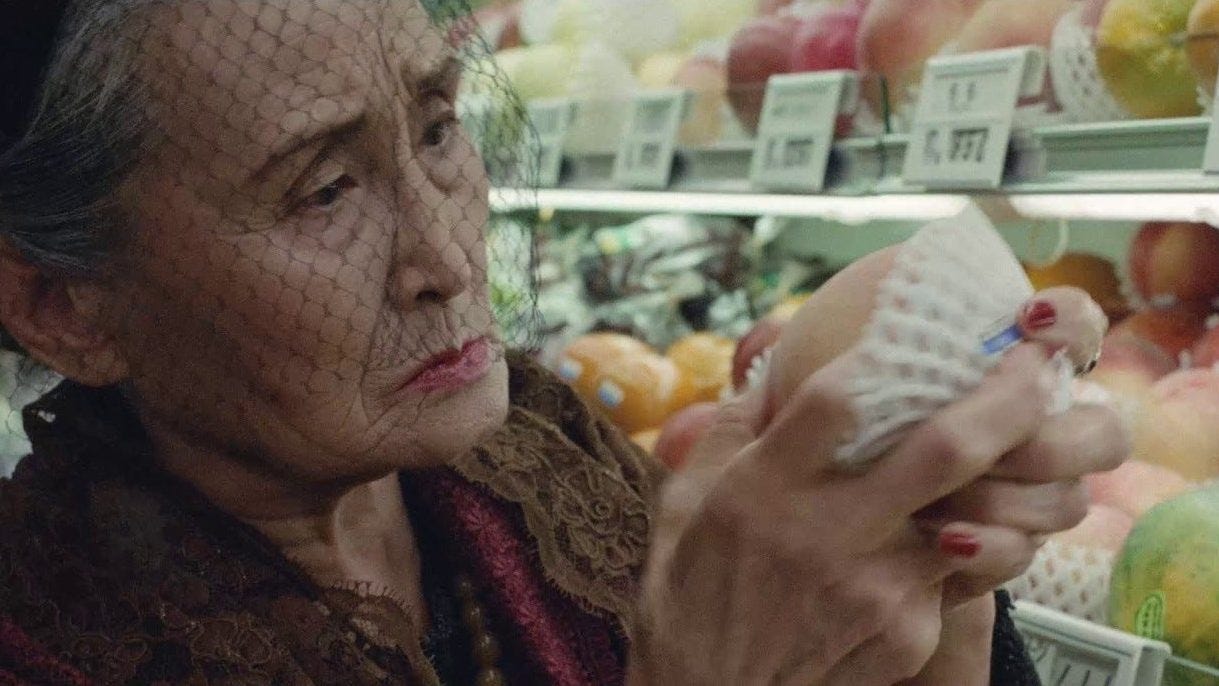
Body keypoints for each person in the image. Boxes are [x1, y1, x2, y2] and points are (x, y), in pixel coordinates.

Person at [0, 1, 1128, 684]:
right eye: (325, 189)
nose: (445, 251)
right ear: (65, 308)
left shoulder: (546, 464)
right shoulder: (52, 642)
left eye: (439, 127)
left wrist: (929, 527)